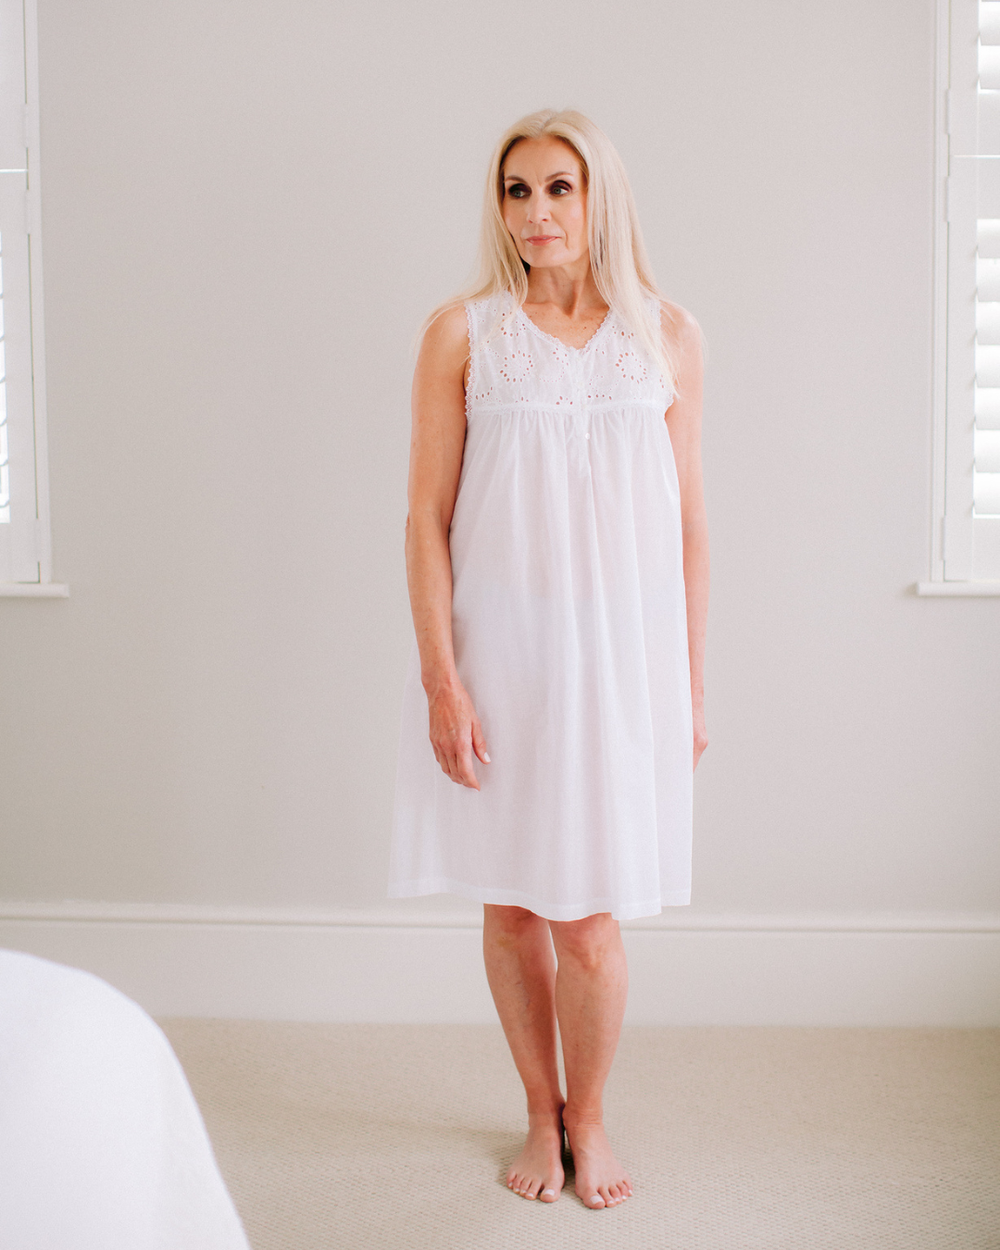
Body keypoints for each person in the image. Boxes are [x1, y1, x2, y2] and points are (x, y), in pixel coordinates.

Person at [388, 107, 708, 1210]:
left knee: (593, 919)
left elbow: (691, 526)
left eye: (558, 187)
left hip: (620, 663)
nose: (535, 212)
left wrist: (689, 686)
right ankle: (539, 1108)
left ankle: (591, 1114)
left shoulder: (668, 335)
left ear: (598, 195)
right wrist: (442, 679)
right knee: (514, 907)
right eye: (516, 190)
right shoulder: (462, 334)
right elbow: (425, 519)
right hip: (502, 654)